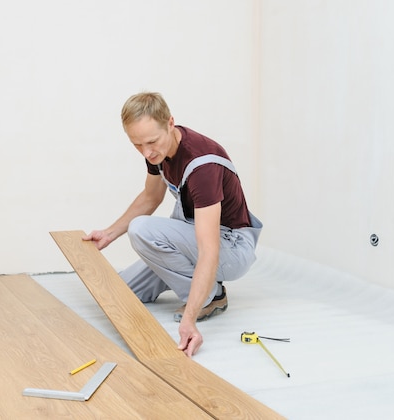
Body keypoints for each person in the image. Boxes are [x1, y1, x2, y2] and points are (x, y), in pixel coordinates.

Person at [83, 92, 262, 357]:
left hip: (231, 246)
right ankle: (195, 288)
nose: (146, 151)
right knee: (119, 293)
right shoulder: (157, 151)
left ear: (170, 123)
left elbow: (209, 249)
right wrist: (108, 234)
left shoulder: (203, 165)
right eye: (137, 145)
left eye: (151, 142)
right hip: (194, 237)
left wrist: (190, 318)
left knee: (142, 229)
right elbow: (151, 197)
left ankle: (212, 297)